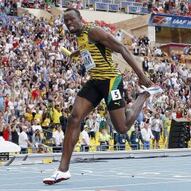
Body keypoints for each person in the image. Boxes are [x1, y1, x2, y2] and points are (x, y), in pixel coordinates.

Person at [43, 8, 162, 185]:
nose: (69, 24)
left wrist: (142, 77)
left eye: (71, 20)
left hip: (111, 81)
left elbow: (121, 48)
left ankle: (144, 95)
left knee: (121, 128)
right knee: (74, 119)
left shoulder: (93, 30)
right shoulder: (80, 35)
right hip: (95, 82)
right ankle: (62, 170)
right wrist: (77, 53)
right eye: (65, 22)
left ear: (80, 19)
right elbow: (90, 49)